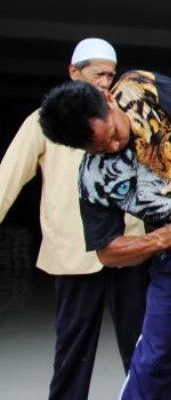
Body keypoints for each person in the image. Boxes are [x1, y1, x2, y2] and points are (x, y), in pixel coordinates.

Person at [38, 69, 171, 400]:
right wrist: (162, 238)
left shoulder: (139, 88)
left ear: (109, 99)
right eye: (99, 148)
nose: (113, 145)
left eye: (112, 133)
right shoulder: (92, 179)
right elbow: (107, 251)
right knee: (156, 357)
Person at [0, 38, 148, 400]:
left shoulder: (124, 117)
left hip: (128, 247)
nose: (104, 82)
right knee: (73, 349)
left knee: (141, 346)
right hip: (74, 252)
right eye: (97, 74)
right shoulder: (42, 122)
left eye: (110, 75)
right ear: (73, 72)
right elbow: (7, 177)